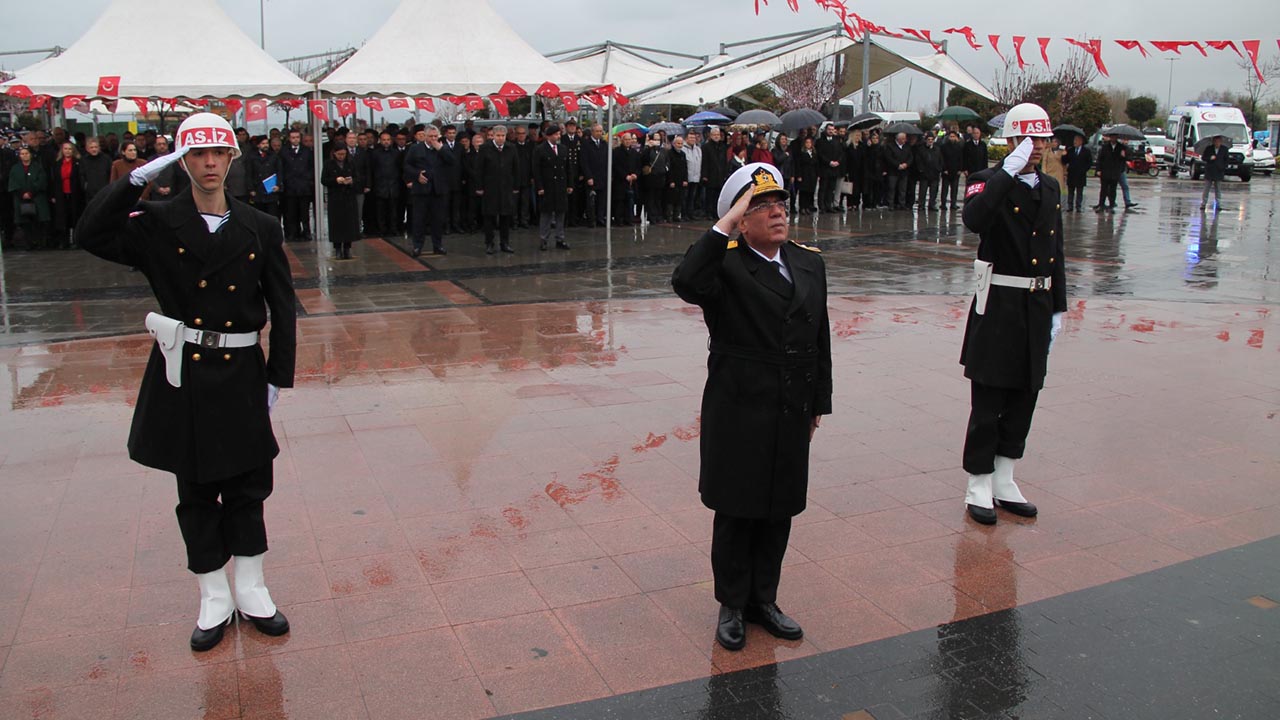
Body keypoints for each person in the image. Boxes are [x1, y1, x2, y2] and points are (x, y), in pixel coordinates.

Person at [76, 112, 296, 651]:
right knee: (195, 487)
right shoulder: (155, 223)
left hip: (241, 370)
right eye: (197, 154)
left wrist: (278, 376)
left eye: (219, 153)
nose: (210, 163)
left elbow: (283, 306)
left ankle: (251, 587)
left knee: (248, 484)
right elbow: (88, 234)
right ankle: (212, 595)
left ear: (232, 157)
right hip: (185, 373)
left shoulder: (259, 226)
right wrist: (132, 178)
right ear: (182, 160)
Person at [671, 162, 832, 652]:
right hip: (741, 403)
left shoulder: (808, 262)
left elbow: (820, 337)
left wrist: (817, 403)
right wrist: (725, 226)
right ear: (741, 219)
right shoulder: (726, 265)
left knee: (778, 507)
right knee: (738, 509)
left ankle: (766, 599)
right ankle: (733, 605)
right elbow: (685, 281)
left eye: (780, 204)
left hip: (790, 403)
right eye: (761, 207)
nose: (777, 213)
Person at [959, 103, 1066, 526]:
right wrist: (1009, 169)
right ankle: (978, 482)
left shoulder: (1051, 188)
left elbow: (1055, 252)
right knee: (990, 396)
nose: (1036, 148)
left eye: (1041, 140)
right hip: (999, 303)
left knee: (1026, 392)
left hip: (1036, 304)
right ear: (1010, 140)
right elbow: (975, 219)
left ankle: (1005, 476)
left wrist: (1058, 306)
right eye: (1028, 139)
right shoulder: (985, 182)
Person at [402, 125, 454, 256]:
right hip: (421, 190)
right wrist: (416, 174)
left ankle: (438, 245)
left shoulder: (443, 148)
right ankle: (417, 246)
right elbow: (407, 165)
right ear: (425, 136)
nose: (433, 139)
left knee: (438, 220)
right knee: (419, 219)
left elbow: (452, 161)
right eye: (431, 136)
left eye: (435, 136)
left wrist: (441, 149)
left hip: (438, 189)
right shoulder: (415, 148)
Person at [476, 124, 520, 254]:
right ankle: (489, 243)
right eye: (498, 136)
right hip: (490, 188)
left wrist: (516, 186)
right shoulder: (485, 148)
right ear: (493, 136)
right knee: (489, 217)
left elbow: (516, 168)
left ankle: (504, 243)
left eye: (503, 136)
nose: (500, 138)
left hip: (506, 188)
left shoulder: (511, 148)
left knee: (505, 217)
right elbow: (479, 169)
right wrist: (479, 187)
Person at [532, 123, 572, 250]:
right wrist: (540, 187)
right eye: (556, 134)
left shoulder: (563, 149)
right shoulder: (540, 149)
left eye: (559, 134)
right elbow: (536, 170)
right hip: (547, 185)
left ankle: (560, 238)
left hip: (560, 185)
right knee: (546, 214)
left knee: (561, 213)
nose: (558, 136)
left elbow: (568, 168)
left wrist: (570, 184)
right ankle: (544, 239)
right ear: (549, 136)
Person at [322, 145, 360, 260]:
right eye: (339, 154)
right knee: (336, 223)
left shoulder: (351, 163)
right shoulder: (328, 164)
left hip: (349, 197)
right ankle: (337, 248)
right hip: (335, 198)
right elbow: (323, 180)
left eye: (343, 154)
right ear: (334, 153)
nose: (341, 157)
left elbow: (358, 178)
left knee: (349, 223)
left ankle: (347, 248)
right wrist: (335, 180)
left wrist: (351, 181)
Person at [9, 146, 51, 250]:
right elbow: (13, 183)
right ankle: (29, 243)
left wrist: (31, 192)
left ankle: (40, 242)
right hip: (21, 199)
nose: (25, 156)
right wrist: (22, 193)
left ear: (30, 155)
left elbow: (41, 181)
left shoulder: (38, 167)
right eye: (22, 154)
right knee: (25, 223)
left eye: (26, 153)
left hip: (37, 198)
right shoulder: (15, 168)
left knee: (39, 222)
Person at [279, 129, 314, 241]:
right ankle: (293, 233)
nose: (295, 139)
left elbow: (311, 167)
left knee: (305, 212)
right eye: (293, 137)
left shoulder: (307, 151)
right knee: (291, 212)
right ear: (289, 138)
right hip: (290, 187)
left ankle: (307, 232)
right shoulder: (284, 151)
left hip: (304, 186)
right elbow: (281, 168)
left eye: (297, 137)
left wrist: (308, 179)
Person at [49, 142, 85, 249]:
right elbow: (53, 180)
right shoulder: (57, 163)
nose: (68, 151)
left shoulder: (78, 163)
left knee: (75, 216)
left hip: (75, 193)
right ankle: (63, 241)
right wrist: (53, 195)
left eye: (70, 149)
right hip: (61, 193)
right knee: (62, 217)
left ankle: (76, 240)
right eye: (65, 149)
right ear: (62, 150)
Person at [370, 131, 401, 235]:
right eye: (384, 140)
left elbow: (399, 168)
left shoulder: (396, 153)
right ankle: (382, 230)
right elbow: (372, 169)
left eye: (388, 140)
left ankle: (393, 229)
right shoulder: (375, 153)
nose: (386, 142)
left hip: (393, 186)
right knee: (380, 211)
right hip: (380, 186)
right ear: (380, 140)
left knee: (393, 211)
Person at [344, 131, 371, 236]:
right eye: (349, 138)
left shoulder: (362, 152)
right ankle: (347, 230)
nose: (351, 140)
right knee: (347, 210)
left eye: (353, 138)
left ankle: (357, 230)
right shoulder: (342, 152)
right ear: (346, 140)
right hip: (346, 186)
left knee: (359, 209)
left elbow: (367, 169)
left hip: (359, 186)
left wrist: (368, 185)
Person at [248, 136, 282, 218]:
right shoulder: (252, 157)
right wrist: (251, 189)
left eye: (266, 143)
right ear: (258, 145)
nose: (265, 145)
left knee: (272, 215)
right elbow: (249, 173)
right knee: (259, 216)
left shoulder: (274, 156)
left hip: (271, 191)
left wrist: (278, 185)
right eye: (263, 143)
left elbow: (279, 171)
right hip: (258, 190)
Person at [640, 132, 670, 225]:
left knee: (658, 198)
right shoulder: (647, 150)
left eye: (658, 139)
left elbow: (667, 161)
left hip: (661, 177)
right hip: (651, 177)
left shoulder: (663, 150)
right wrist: (648, 147)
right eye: (655, 139)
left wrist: (665, 168)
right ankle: (651, 216)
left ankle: (658, 216)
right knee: (651, 198)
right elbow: (643, 160)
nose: (656, 141)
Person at [612, 133, 641, 226]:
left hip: (632, 181)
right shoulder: (616, 152)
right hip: (620, 181)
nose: (628, 141)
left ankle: (628, 219)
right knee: (619, 201)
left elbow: (638, 166)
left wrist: (636, 174)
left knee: (630, 202)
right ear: (622, 140)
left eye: (629, 139)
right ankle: (619, 219)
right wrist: (625, 176)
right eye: (626, 139)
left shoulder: (634, 153)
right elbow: (616, 166)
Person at [1093, 134, 1126, 213]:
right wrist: (1098, 170)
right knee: (1103, 189)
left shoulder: (1121, 147)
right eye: (1112, 137)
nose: (1113, 138)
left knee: (1113, 190)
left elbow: (1127, 157)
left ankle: (1111, 206)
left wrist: (1123, 155)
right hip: (1105, 171)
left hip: (1115, 172)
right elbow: (1100, 159)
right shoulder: (1105, 147)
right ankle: (1101, 205)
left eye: (1114, 137)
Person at [702, 127, 729, 219]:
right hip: (710, 174)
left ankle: (715, 212)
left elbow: (725, 161)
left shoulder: (723, 146)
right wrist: (704, 175)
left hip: (720, 175)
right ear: (710, 136)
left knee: (718, 195)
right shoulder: (706, 147)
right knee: (710, 195)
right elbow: (704, 161)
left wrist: (726, 173)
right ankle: (708, 212)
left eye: (718, 135)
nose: (716, 136)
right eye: (714, 135)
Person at [815, 124, 843, 212]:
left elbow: (841, 153)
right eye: (829, 129)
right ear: (826, 130)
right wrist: (829, 162)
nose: (831, 131)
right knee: (823, 187)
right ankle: (821, 206)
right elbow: (820, 154)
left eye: (832, 129)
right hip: (824, 168)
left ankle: (828, 205)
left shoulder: (837, 141)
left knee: (831, 188)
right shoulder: (820, 141)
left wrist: (838, 161)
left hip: (834, 168)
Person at [882, 132, 912, 210]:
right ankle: (890, 203)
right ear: (898, 139)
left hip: (904, 171)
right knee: (892, 188)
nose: (904, 140)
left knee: (903, 189)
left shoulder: (907, 146)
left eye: (905, 138)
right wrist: (898, 165)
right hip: (893, 171)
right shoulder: (890, 146)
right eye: (903, 139)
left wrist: (906, 164)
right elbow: (889, 158)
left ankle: (902, 203)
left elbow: (910, 157)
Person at [80, 137, 113, 205]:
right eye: (91, 147)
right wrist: (85, 187)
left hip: (105, 191)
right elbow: (82, 175)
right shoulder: (84, 160)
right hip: (90, 194)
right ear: (87, 148)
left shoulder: (106, 159)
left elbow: (111, 174)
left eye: (96, 147)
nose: (94, 149)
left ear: (99, 148)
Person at [914, 133, 942, 211]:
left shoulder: (937, 149)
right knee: (923, 190)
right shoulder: (921, 149)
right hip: (924, 173)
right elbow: (918, 160)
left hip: (934, 173)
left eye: (932, 139)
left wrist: (939, 168)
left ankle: (932, 204)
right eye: (928, 139)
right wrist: (921, 169)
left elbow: (940, 159)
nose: (930, 141)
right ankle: (921, 205)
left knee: (933, 191)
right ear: (926, 140)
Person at [1200, 135, 1228, 212]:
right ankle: (1203, 204)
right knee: (1206, 189)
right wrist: (1210, 158)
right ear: (1213, 142)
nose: (1217, 143)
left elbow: (1226, 160)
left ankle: (1218, 204)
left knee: (1218, 189)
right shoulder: (1209, 148)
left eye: (1219, 141)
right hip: (1210, 171)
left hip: (1219, 171)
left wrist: (1223, 167)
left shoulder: (1224, 149)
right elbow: (1203, 158)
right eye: (1216, 141)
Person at [1064, 134, 1091, 212]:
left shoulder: (1086, 151)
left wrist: (1084, 170)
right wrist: (1064, 154)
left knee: (1079, 191)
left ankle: (1078, 206)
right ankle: (1070, 206)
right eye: (1074, 140)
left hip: (1080, 175)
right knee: (1070, 191)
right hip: (1072, 174)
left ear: (1081, 142)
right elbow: (1065, 161)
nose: (1074, 142)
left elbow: (1089, 163)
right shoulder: (1070, 150)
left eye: (1076, 140)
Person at [792, 137, 818, 213]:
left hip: (812, 175)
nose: (808, 144)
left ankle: (807, 206)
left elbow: (816, 164)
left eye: (810, 143)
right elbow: (799, 165)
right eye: (807, 143)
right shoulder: (801, 153)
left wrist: (817, 174)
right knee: (803, 192)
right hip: (804, 174)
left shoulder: (814, 153)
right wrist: (799, 175)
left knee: (810, 191)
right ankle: (802, 207)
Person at [940, 129, 964, 209]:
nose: (952, 138)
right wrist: (944, 169)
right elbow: (942, 159)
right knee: (945, 189)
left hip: (955, 171)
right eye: (951, 136)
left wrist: (960, 169)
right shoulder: (944, 147)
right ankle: (943, 204)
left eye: (953, 137)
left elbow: (961, 158)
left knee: (954, 189)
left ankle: (953, 203)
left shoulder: (959, 147)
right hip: (946, 171)